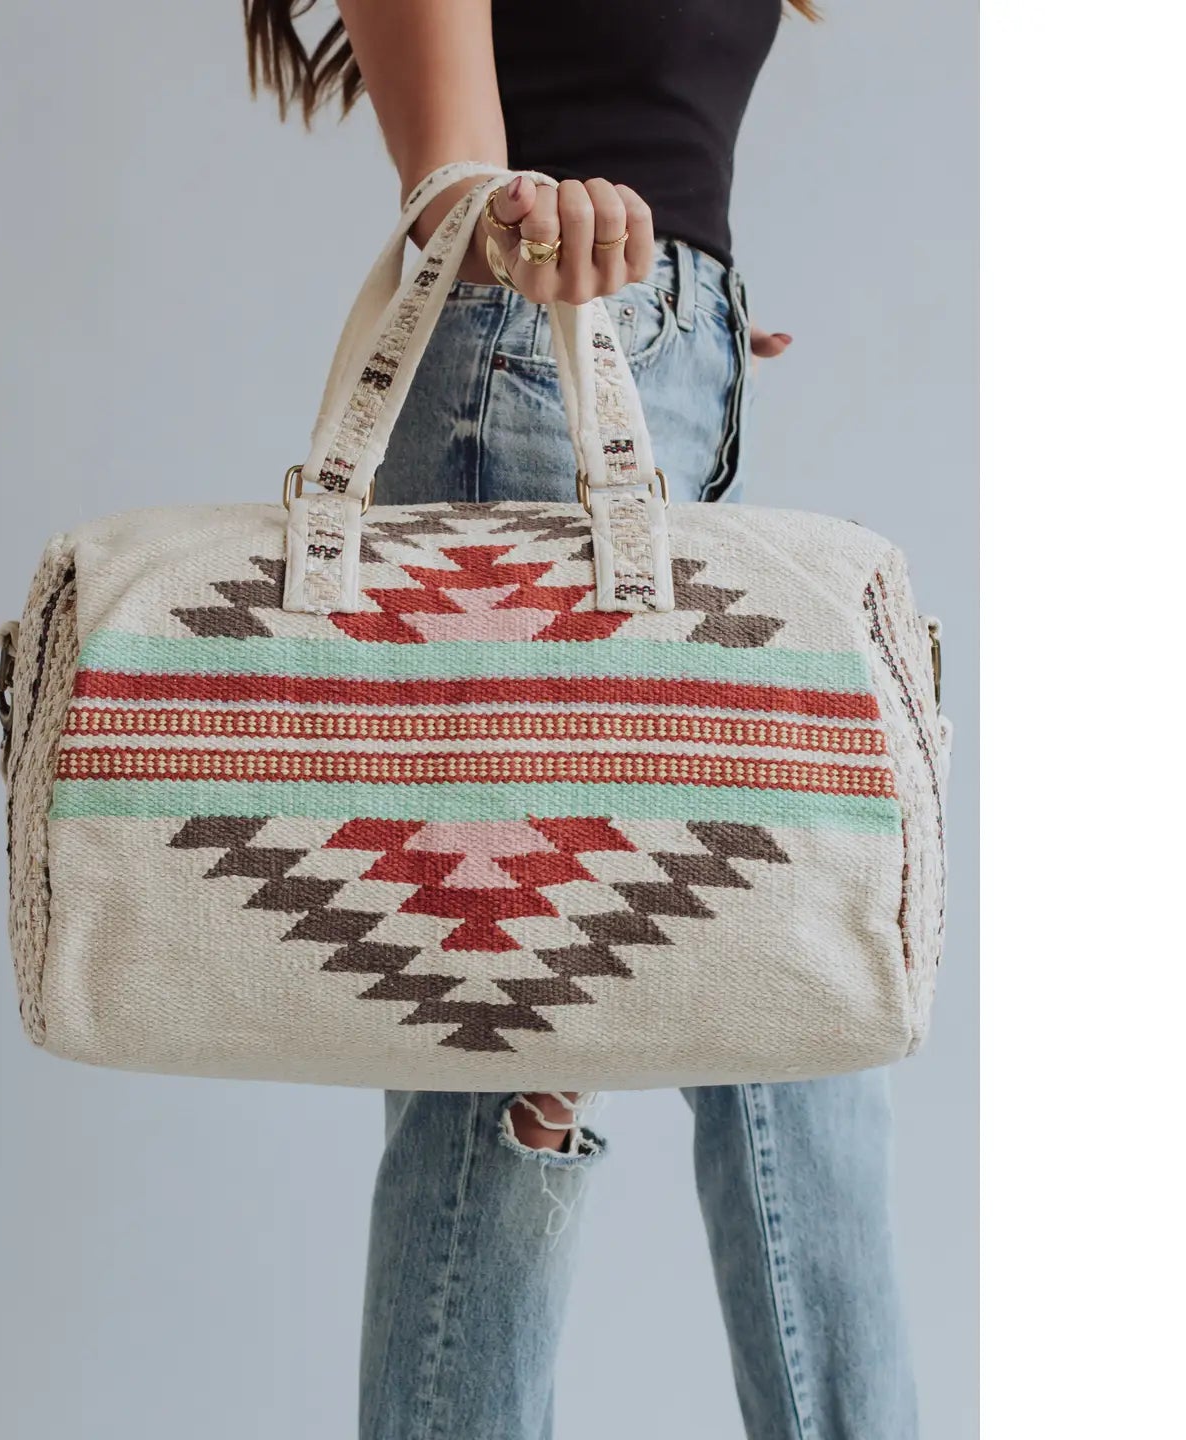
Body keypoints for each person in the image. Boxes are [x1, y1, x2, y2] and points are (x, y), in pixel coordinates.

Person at [245, 3, 917, 1436]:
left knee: (801, 1009)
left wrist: (692, 316)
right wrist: (544, 238)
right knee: (502, 1075)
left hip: (658, 391)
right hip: (528, 381)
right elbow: (454, 196)